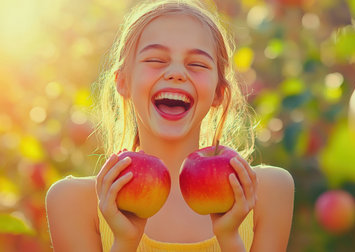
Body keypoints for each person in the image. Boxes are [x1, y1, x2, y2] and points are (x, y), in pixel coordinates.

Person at [46, 0, 294, 251]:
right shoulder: (73, 202)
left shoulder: (267, 192)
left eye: (196, 64)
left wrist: (229, 238)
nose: (176, 73)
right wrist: (124, 242)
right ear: (122, 82)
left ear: (219, 92)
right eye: (155, 60)